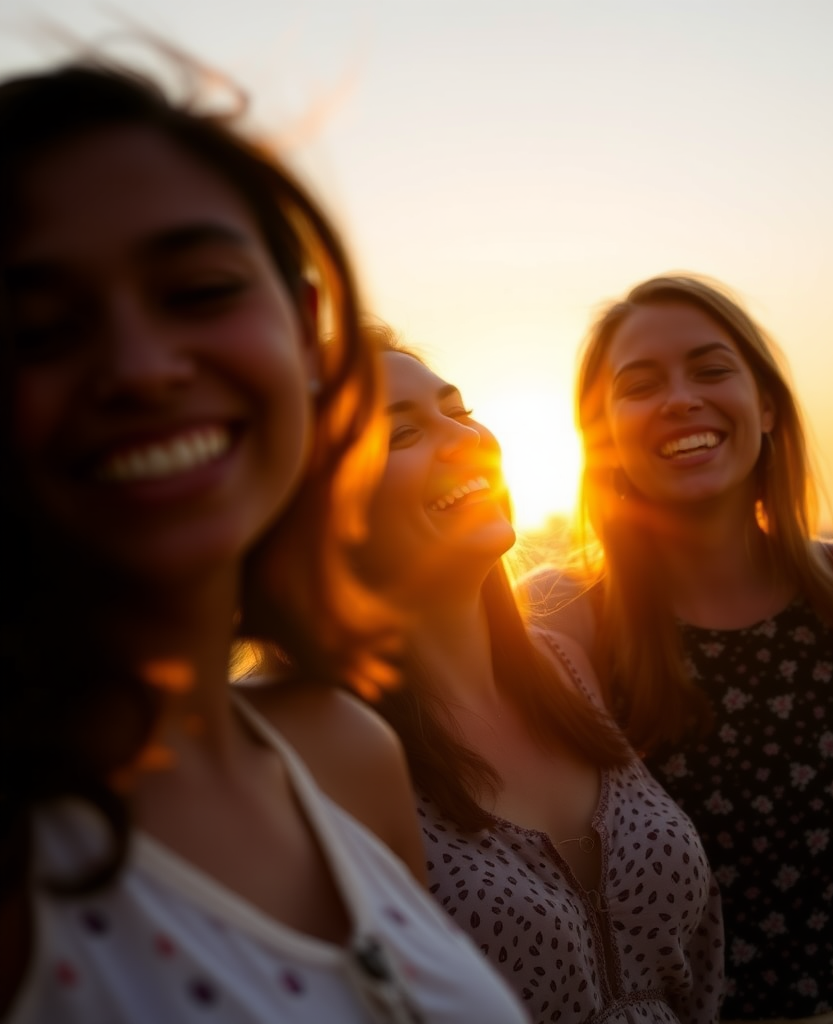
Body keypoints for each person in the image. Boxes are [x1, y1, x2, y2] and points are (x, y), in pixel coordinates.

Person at [0, 57, 530, 1024]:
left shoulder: (344, 753)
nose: (142, 367)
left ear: (301, 342)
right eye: (36, 331)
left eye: (200, 290)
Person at [524, 273, 833, 1024]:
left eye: (712, 368)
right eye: (640, 384)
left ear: (767, 406)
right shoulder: (560, 625)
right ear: (603, 437)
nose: (681, 397)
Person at [309, 328, 724, 1024]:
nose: (465, 438)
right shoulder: (314, 749)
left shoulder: (564, 666)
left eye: (459, 410)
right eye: (402, 433)